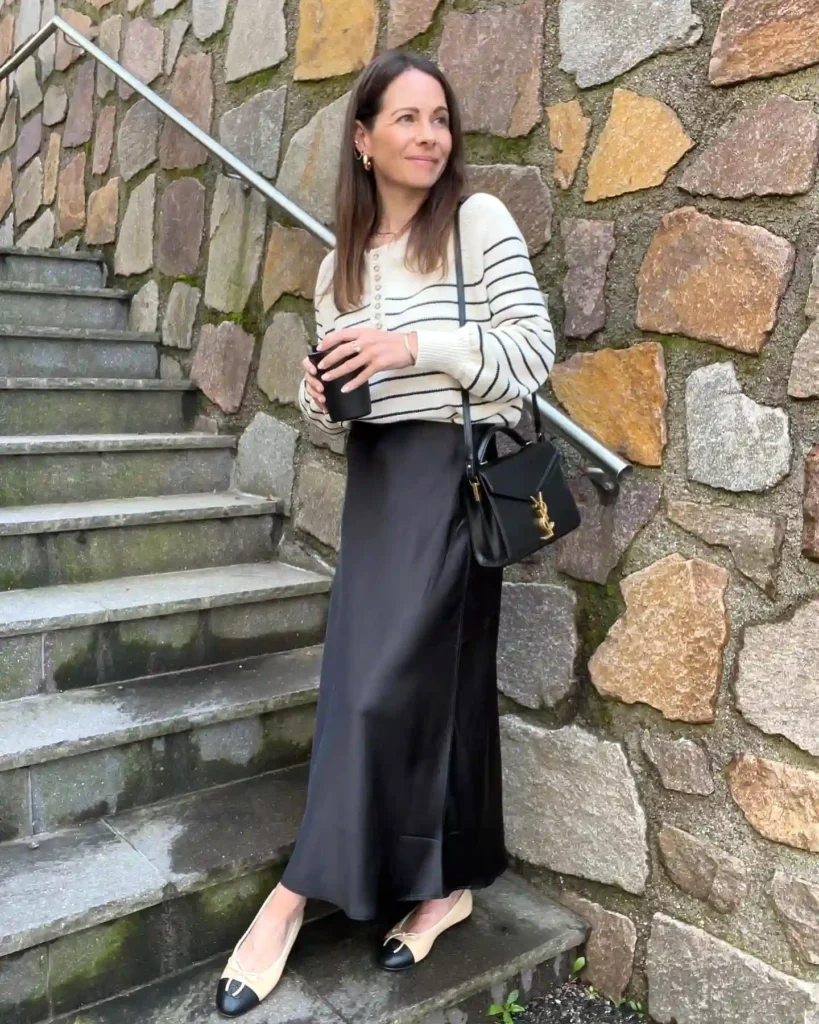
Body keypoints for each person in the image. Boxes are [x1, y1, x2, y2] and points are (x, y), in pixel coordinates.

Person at [216, 47, 555, 1019]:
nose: (427, 135)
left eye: (438, 118)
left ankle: (289, 899)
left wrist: (415, 344)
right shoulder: (339, 267)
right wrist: (318, 393)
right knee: (407, 688)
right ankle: (446, 885)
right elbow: (345, 401)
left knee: (375, 694)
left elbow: (528, 357)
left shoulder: (476, 223)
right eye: (404, 118)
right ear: (362, 139)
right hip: (378, 484)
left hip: (453, 482)